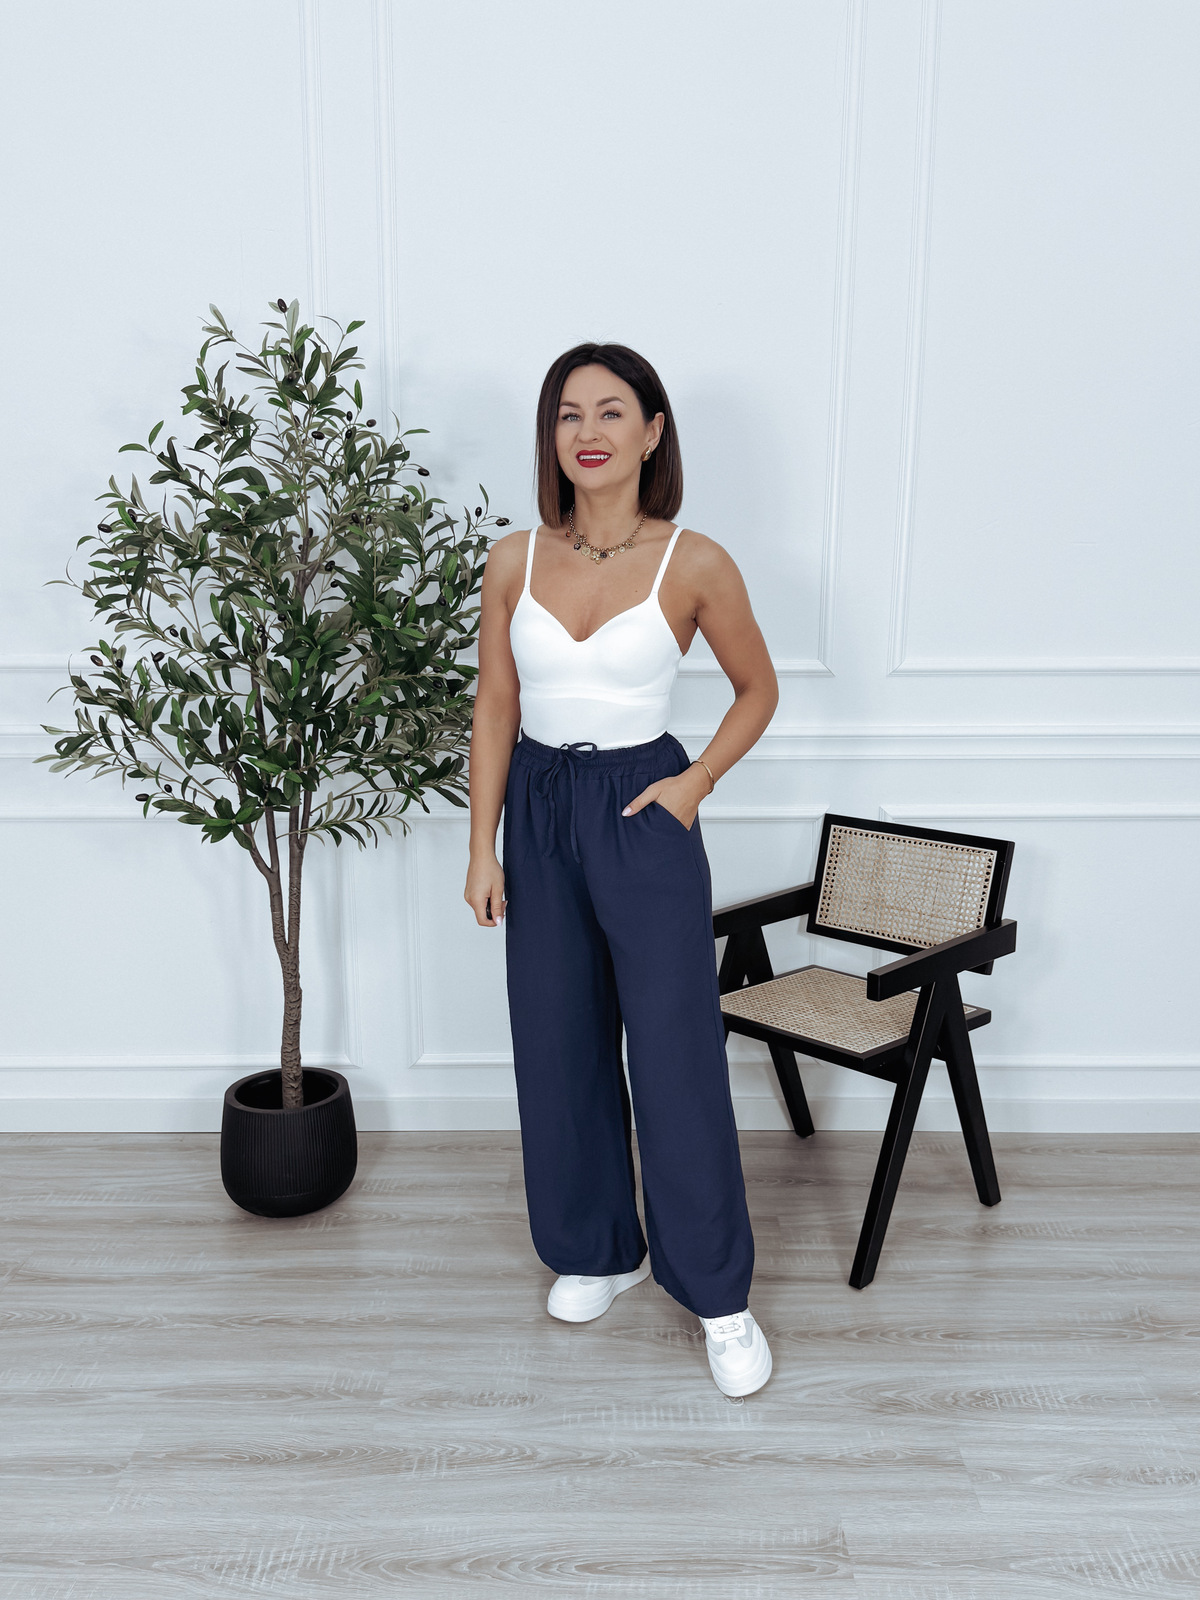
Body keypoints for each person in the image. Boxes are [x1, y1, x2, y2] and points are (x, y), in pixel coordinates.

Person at [463, 343, 779, 1396]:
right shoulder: (513, 559)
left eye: (610, 411)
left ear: (652, 431)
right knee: (556, 1039)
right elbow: (496, 706)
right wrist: (482, 846)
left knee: (676, 1050)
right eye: (568, 414)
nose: (587, 431)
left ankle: (719, 1294)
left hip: (645, 805)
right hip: (539, 805)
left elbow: (758, 689)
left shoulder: (695, 561)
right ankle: (598, 1248)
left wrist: (694, 786)